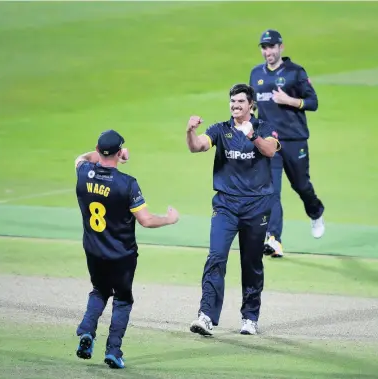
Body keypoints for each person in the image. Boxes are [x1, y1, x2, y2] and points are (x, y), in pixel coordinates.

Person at [74, 129, 179, 369]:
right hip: (122, 254)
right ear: (120, 152)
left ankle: (87, 333)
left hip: (93, 250)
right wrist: (170, 219)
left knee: (99, 291)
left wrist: (106, 153)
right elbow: (146, 220)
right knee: (122, 299)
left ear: (99, 150)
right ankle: (113, 351)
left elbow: (81, 158)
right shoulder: (127, 184)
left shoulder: (82, 173)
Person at [186, 83, 280, 336]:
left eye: (240, 102)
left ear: (251, 105)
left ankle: (250, 318)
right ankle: (205, 316)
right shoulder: (220, 129)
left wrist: (252, 137)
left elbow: (270, 150)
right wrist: (190, 132)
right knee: (216, 257)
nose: (235, 105)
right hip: (226, 205)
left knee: (251, 263)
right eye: (232, 102)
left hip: (257, 206)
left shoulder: (264, 127)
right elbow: (198, 146)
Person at [249, 29, 325, 258]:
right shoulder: (255, 74)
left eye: (271, 47)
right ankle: (274, 239)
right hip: (269, 142)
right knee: (271, 191)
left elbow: (313, 102)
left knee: (301, 185)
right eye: (264, 47)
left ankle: (315, 211)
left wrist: (288, 100)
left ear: (281, 47)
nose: (268, 51)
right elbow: (253, 103)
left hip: (294, 139)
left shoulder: (295, 72)